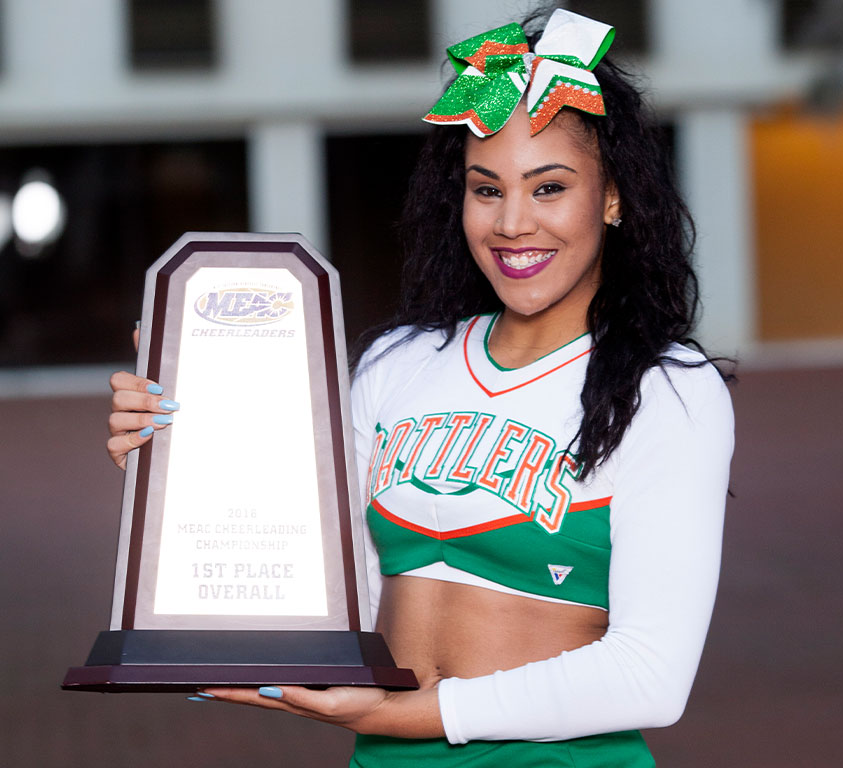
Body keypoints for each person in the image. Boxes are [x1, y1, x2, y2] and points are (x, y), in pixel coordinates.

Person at [106, 9, 734, 766]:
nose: (511, 223)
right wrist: (181, 458)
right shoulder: (398, 365)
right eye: (485, 188)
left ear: (612, 198)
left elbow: (650, 678)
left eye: (549, 188)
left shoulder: (666, 390)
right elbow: (325, 589)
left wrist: (403, 716)